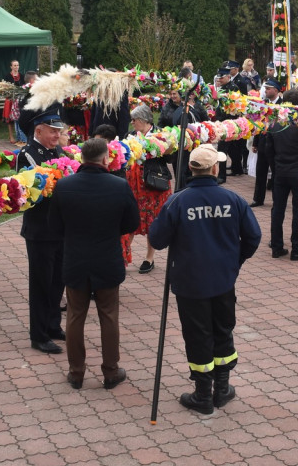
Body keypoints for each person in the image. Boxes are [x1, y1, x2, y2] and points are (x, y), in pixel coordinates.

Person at [148, 143, 262, 414]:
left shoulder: (177, 201)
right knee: (223, 330)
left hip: (190, 282)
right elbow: (254, 236)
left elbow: (157, 239)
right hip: (223, 279)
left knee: (197, 335)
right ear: (215, 169)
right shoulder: (233, 199)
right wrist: (236, 261)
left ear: (190, 168)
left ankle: (203, 395)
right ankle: (221, 389)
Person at [49, 138, 140, 390]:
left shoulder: (64, 185)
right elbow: (132, 222)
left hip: (75, 258)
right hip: (107, 257)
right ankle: (111, 371)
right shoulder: (119, 185)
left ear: (81, 158)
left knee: (75, 316)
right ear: (105, 158)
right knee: (109, 315)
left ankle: (76, 372)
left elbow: (54, 225)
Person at [15, 101, 69, 354]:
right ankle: (38, 334)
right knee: (41, 283)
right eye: (53, 131)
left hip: (60, 227)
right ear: (38, 130)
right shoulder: (28, 154)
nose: (58, 135)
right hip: (40, 229)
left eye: (59, 131)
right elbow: (29, 191)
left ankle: (53, 324)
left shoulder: (58, 151)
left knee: (58, 280)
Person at [265, 89, 298, 260]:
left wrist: (275, 167)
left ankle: (276, 246)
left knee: (277, 210)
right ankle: (297, 249)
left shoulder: (274, 123)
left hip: (281, 172)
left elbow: (268, 150)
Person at [124, 105, 172, 274]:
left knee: (152, 220)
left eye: (134, 120)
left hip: (153, 183)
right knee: (129, 219)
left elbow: (170, 158)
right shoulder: (130, 135)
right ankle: (122, 257)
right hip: (133, 183)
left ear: (144, 120)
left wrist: (164, 148)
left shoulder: (161, 135)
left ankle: (149, 258)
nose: (132, 123)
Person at [250, 78, 281, 207]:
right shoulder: (263, 105)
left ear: (276, 90)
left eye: (268, 89)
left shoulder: (283, 105)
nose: (266, 91)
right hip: (263, 142)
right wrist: (255, 142)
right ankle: (258, 199)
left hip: (276, 145)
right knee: (260, 172)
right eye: (265, 89)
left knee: (276, 174)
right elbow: (259, 123)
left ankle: (277, 200)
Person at [2, 59, 26, 145]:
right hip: (10, 100)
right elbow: (4, 89)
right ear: (11, 67)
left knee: (18, 118)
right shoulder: (7, 76)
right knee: (10, 119)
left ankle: (20, 138)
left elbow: (24, 87)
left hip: (19, 99)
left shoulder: (22, 76)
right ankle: (11, 136)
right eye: (14, 65)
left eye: (17, 65)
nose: (16, 67)